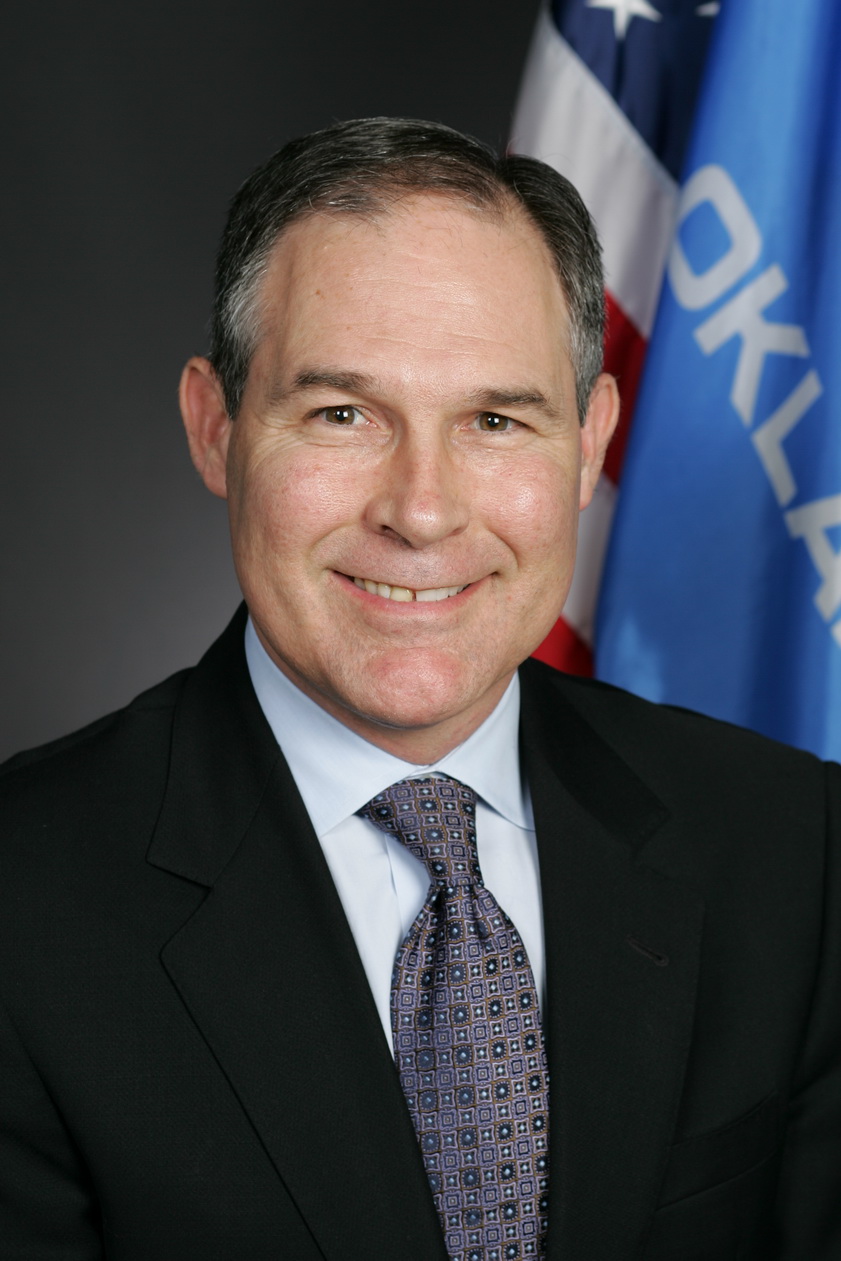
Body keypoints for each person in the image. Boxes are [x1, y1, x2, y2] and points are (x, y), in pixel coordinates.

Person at [0, 117, 839, 1261]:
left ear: (588, 444)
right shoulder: (25, 907)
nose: (423, 509)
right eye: (342, 414)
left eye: (495, 420)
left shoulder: (792, 847)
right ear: (215, 427)